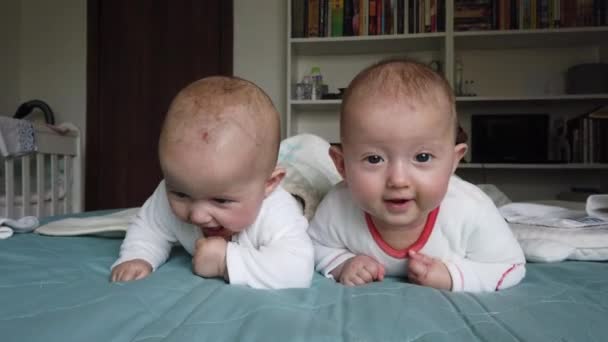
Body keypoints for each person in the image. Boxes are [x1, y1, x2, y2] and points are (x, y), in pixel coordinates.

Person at [307, 59, 526, 292]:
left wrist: (452, 276)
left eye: (422, 158)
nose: (398, 180)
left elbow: (510, 265)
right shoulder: (338, 206)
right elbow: (313, 246)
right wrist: (342, 263)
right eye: (374, 159)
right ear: (342, 165)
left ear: (453, 162)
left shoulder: (470, 210)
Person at [110, 76, 314, 289]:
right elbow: (148, 229)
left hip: (301, 187)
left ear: (268, 185)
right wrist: (137, 256)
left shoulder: (276, 210)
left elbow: (298, 269)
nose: (197, 216)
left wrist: (225, 261)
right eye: (181, 194)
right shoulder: (173, 189)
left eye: (220, 200)